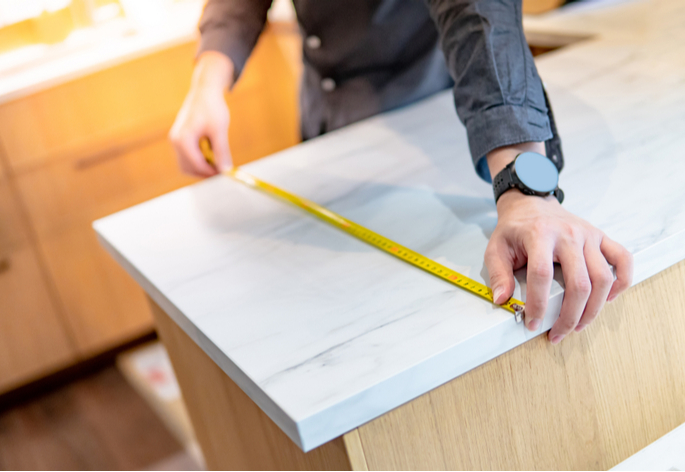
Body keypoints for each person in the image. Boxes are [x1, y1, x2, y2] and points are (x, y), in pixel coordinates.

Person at [170, 0, 633, 344]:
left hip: (433, 115)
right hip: (324, 119)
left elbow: (476, 11)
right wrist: (209, 77)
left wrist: (523, 189)